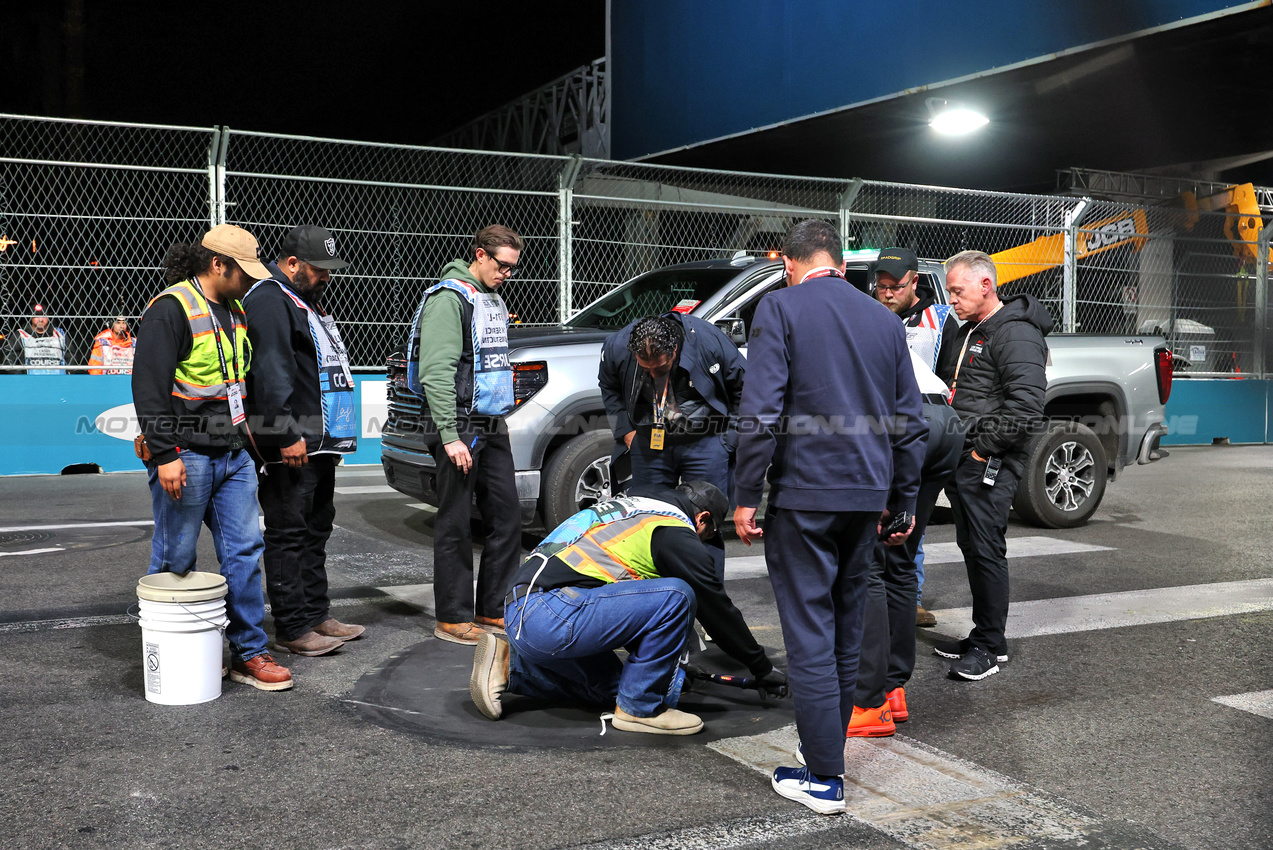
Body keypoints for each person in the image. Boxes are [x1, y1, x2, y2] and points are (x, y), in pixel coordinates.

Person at [733, 219, 926, 815]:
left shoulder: (780, 308)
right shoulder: (884, 320)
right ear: (840, 263)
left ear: (788, 263)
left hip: (806, 496)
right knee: (845, 631)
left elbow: (762, 410)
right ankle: (827, 755)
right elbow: (909, 421)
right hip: (868, 495)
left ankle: (823, 775)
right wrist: (905, 498)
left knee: (810, 635)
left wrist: (745, 492)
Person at [469, 481, 784, 734]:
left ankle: (511, 666)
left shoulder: (635, 506)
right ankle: (640, 711)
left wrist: (667, 673)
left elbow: (625, 609)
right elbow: (716, 609)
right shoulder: (673, 530)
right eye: (708, 535)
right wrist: (761, 667)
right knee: (679, 595)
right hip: (551, 613)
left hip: (525, 612)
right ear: (702, 520)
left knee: (621, 687)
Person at [132, 224, 292, 691]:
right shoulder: (171, 309)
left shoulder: (235, 309)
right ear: (218, 264)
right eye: (244, 271)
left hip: (233, 454)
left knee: (244, 552)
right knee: (175, 556)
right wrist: (164, 454)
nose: (251, 281)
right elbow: (148, 388)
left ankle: (249, 652)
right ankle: (168, 647)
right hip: (187, 454)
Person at [244, 225, 364, 658]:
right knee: (289, 532)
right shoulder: (271, 301)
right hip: (293, 443)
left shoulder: (302, 301)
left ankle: (316, 613)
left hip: (319, 441)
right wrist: (285, 433)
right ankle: (293, 626)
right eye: (320, 269)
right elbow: (269, 373)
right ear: (292, 263)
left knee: (316, 527)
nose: (327, 277)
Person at [934, 250, 1050, 681]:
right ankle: (983, 634)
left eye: (957, 290)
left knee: (985, 548)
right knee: (973, 545)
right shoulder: (974, 330)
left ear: (986, 285)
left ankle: (989, 647)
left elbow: (1027, 407)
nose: (952, 300)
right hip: (966, 455)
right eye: (949, 291)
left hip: (988, 457)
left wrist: (982, 451)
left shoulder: (1014, 332)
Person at [409, 225, 524, 645]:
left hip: (490, 422)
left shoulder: (487, 297)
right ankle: (453, 617)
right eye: (502, 266)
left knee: (508, 516)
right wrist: (449, 434)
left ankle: (492, 608)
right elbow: (436, 372)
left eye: (513, 268)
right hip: (458, 424)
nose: (507, 274)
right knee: (455, 521)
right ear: (480, 255)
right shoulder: (449, 299)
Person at [850, 351, 962, 735]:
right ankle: (894, 688)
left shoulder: (832, 324)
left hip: (909, 423)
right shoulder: (873, 321)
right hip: (945, 420)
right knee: (901, 558)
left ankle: (872, 699)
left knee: (873, 565)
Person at [598, 312, 746, 581]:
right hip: (650, 441)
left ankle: (708, 599)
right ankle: (659, 597)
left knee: (705, 525)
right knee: (647, 522)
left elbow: (744, 388)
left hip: (706, 440)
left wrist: (729, 440)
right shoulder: (618, 346)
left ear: (675, 350)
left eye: (661, 368)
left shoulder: (707, 340)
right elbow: (608, 386)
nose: (653, 374)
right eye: (646, 369)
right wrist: (626, 431)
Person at [872, 247, 961, 627]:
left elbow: (953, 374)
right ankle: (896, 597)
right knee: (902, 513)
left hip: (925, 421)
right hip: (892, 426)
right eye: (881, 286)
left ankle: (908, 598)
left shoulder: (940, 320)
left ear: (915, 283)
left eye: (896, 286)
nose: (888, 293)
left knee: (909, 517)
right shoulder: (869, 316)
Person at [7, 304, 71, 374]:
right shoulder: (20, 335)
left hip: (57, 380)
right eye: (36, 316)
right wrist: (21, 377)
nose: (40, 319)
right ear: (31, 317)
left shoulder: (59, 335)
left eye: (43, 316)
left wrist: (67, 374)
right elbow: (9, 358)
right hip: (29, 381)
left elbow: (71, 356)